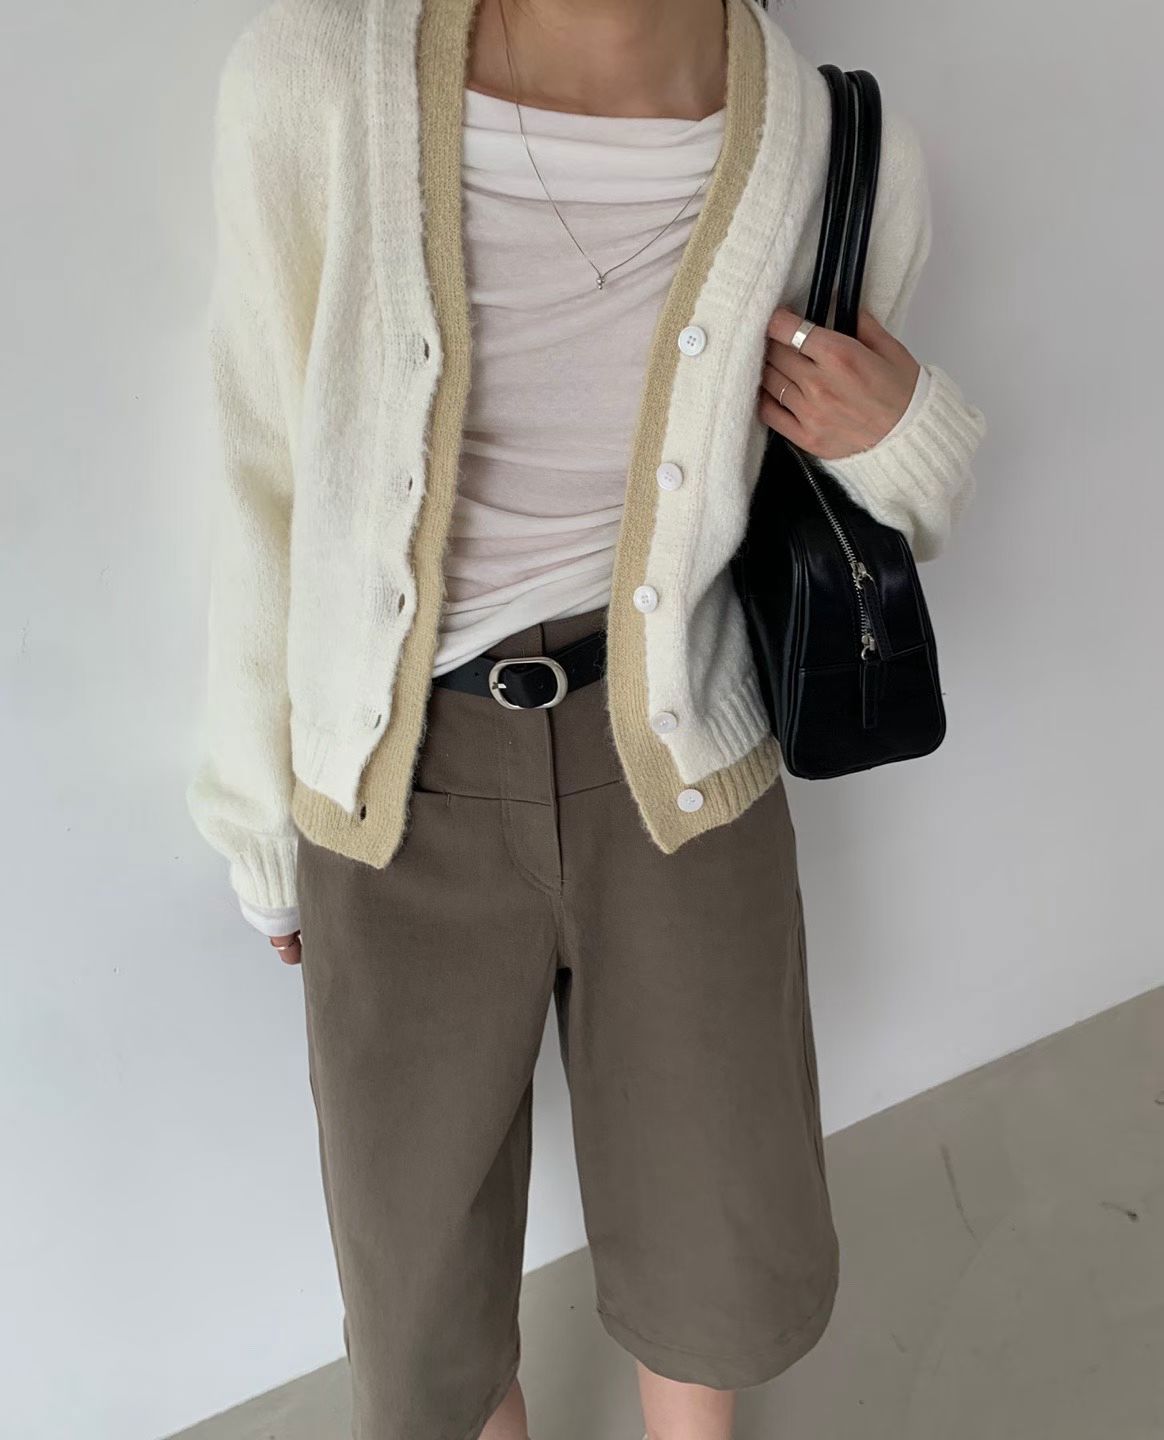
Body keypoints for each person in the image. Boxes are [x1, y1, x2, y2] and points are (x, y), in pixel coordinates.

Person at [186, 0, 986, 1435]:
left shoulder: (841, 148)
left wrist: (908, 430)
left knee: (713, 1226)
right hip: (397, 787)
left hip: (682, 764)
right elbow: (263, 464)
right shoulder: (315, 78)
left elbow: (865, 515)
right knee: (419, 1279)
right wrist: (257, 819)